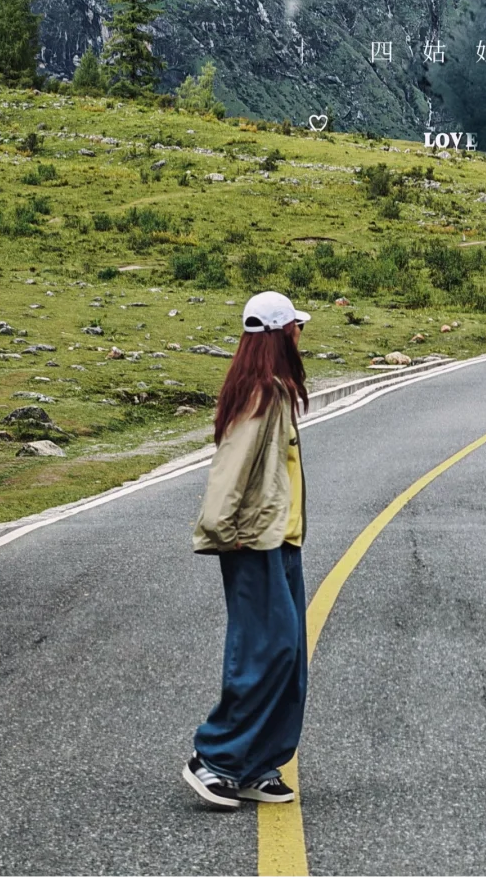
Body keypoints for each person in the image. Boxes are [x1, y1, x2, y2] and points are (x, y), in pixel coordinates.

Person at [182, 290, 311, 810]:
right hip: (251, 540)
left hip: (280, 540)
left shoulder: (275, 389)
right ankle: (213, 758)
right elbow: (230, 469)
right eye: (296, 326)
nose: (302, 333)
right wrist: (222, 529)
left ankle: (257, 764)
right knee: (265, 652)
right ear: (282, 333)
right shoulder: (261, 394)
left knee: (288, 657)